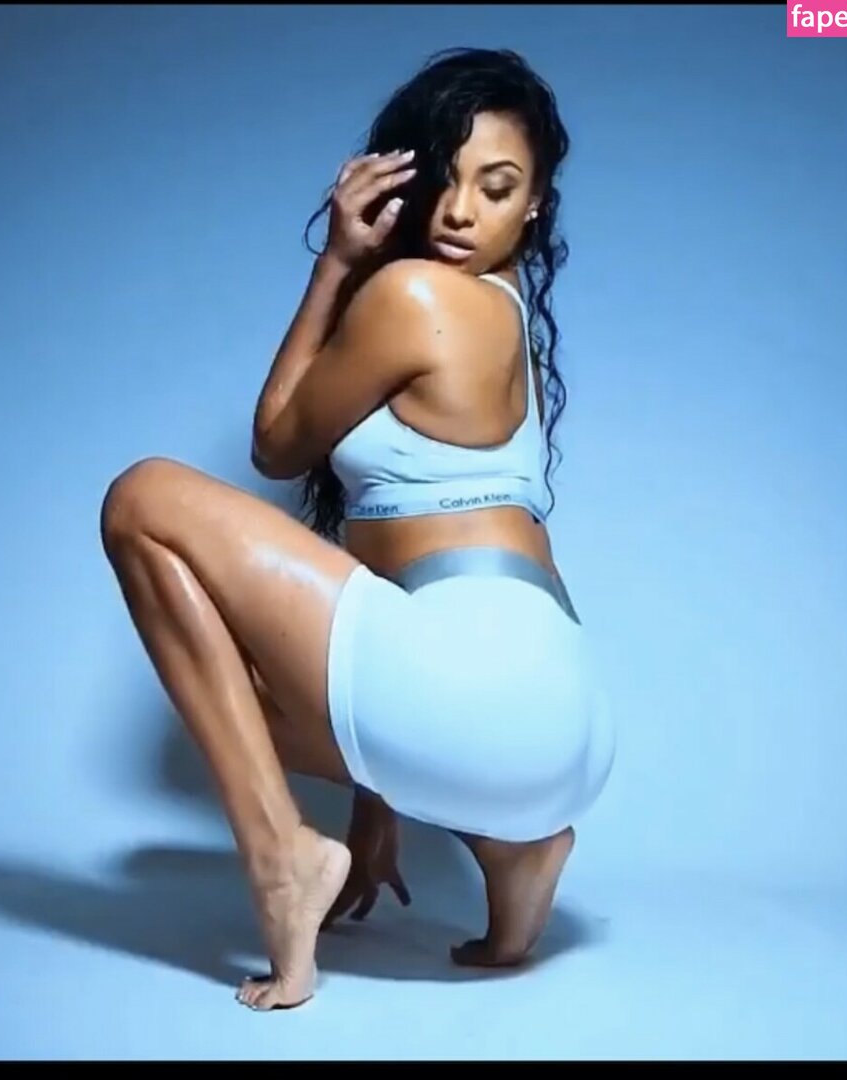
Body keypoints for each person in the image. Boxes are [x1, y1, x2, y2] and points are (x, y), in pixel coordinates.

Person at [99, 46, 616, 1012]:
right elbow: (398, 604)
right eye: (444, 179)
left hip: (470, 692)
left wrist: (337, 260)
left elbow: (274, 443)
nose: (459, 212)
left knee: (142, 500)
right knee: (229, 676)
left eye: (496, 187)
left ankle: (280, 857)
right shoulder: (506, 316)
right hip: (561, 722)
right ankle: (515, 846)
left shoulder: (411, 295)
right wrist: (379, 805)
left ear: (535, 204)